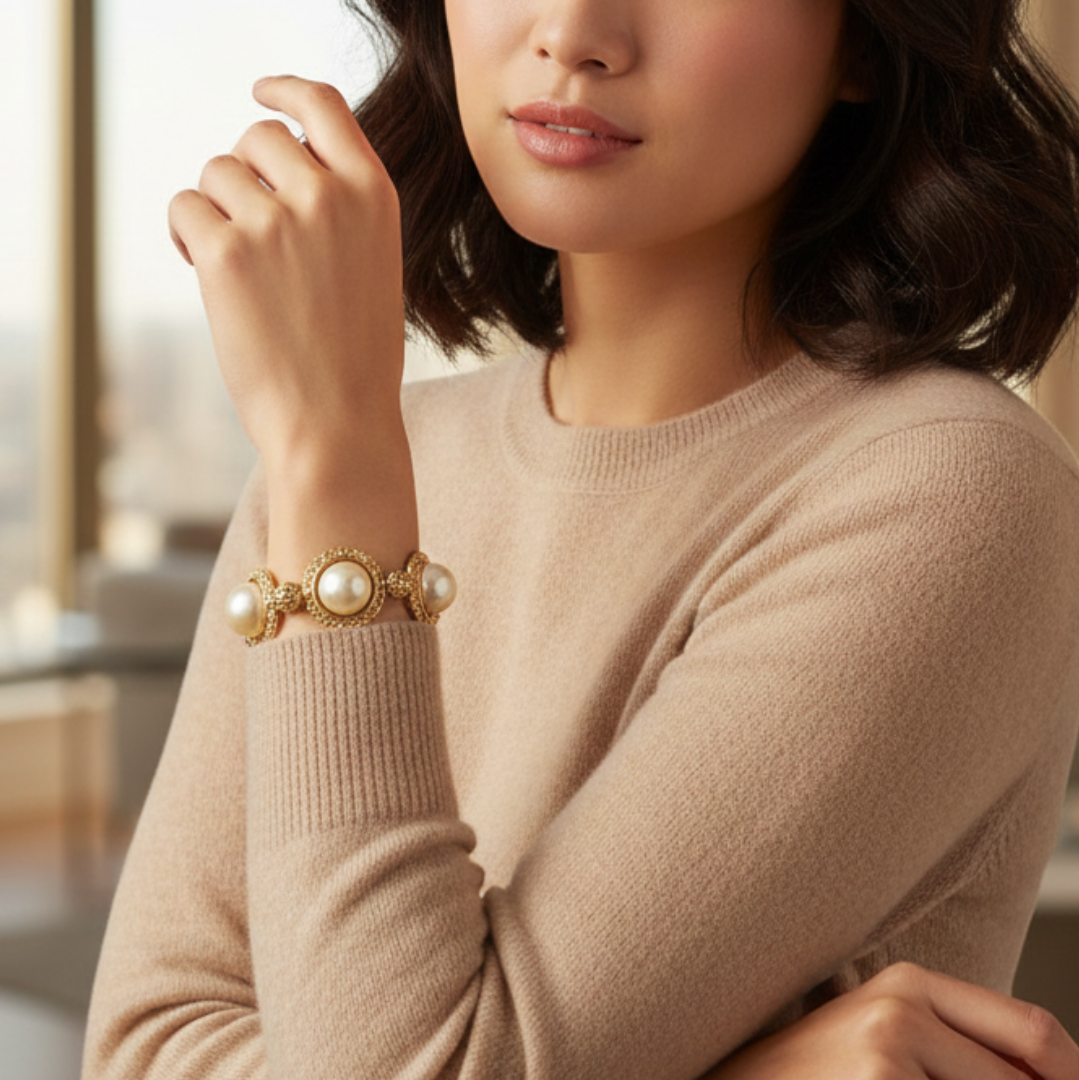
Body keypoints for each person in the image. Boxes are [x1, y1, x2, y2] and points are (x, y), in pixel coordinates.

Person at [82, 0, 1079, 1077]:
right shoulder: (366, 457)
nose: (573, 29)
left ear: (867, 41)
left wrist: (330, 459)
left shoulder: (947, 488)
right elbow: (142, 1048)